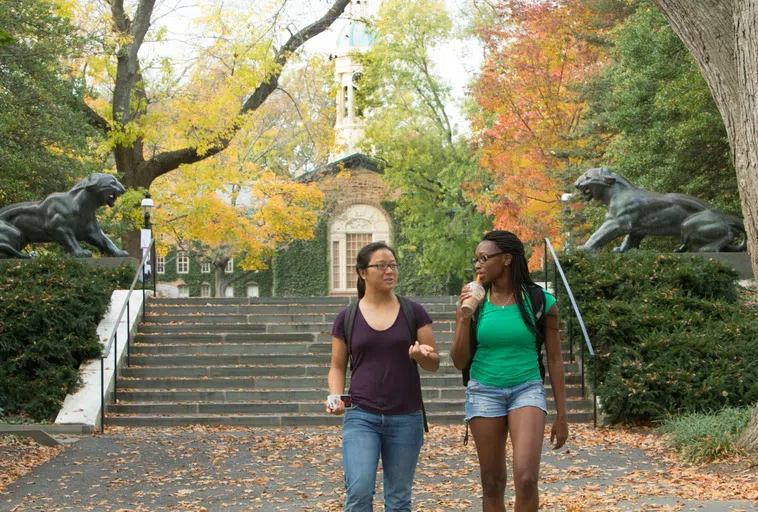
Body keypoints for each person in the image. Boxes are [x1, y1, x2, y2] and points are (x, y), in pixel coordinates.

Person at [450, 230, 568, 512]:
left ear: (506, 259)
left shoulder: (540, 301)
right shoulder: (475, 302)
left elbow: (554, 358)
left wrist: (562, 415)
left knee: (526, 477)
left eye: (484, 258)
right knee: (491, 482)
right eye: (475, 260)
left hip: (526, 389)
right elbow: (458, 360)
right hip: (483, 391)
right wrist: (463, 319)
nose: (477, 265)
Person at [325, 242, 440, 512]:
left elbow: (434, 362)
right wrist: (335, 396)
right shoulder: (347, 316)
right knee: (360, 492)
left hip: (406, 417)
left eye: (393, 265)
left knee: (399, 501)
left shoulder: (414, 311)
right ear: (363, 273)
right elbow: (337, 366)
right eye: (381, 266)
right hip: (361, 416)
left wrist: (422, 355)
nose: (389, 271)